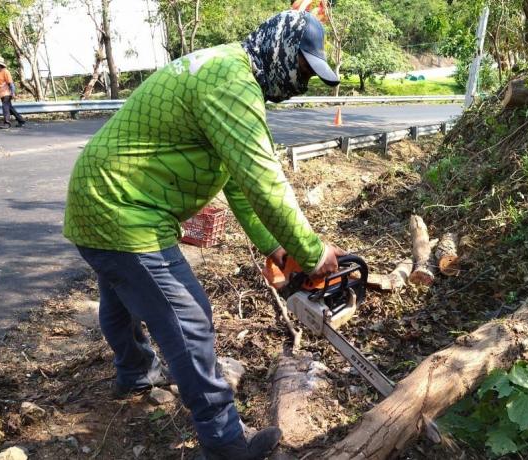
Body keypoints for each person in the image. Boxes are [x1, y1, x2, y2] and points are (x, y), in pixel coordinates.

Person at [63, 11, 342, 460]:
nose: (300, 82)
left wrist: (277, 247)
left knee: (122, 292)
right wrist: (312, 252)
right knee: (188, 318)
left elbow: (241, 187)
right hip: (123, 210)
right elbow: (263, 181)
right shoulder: (232, 83)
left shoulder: (223, 68)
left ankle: (135, 374)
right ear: (281, 50)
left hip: (95, 204)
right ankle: (225, 444)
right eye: (302, 69)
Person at [0, 57, 25, 129]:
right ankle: (21, 120)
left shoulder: (5, 72)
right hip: (1, 93)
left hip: (7, 93)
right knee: (9, 108)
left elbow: (11, 83)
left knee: (5, 107)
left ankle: (7, 123)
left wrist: (13, 92)